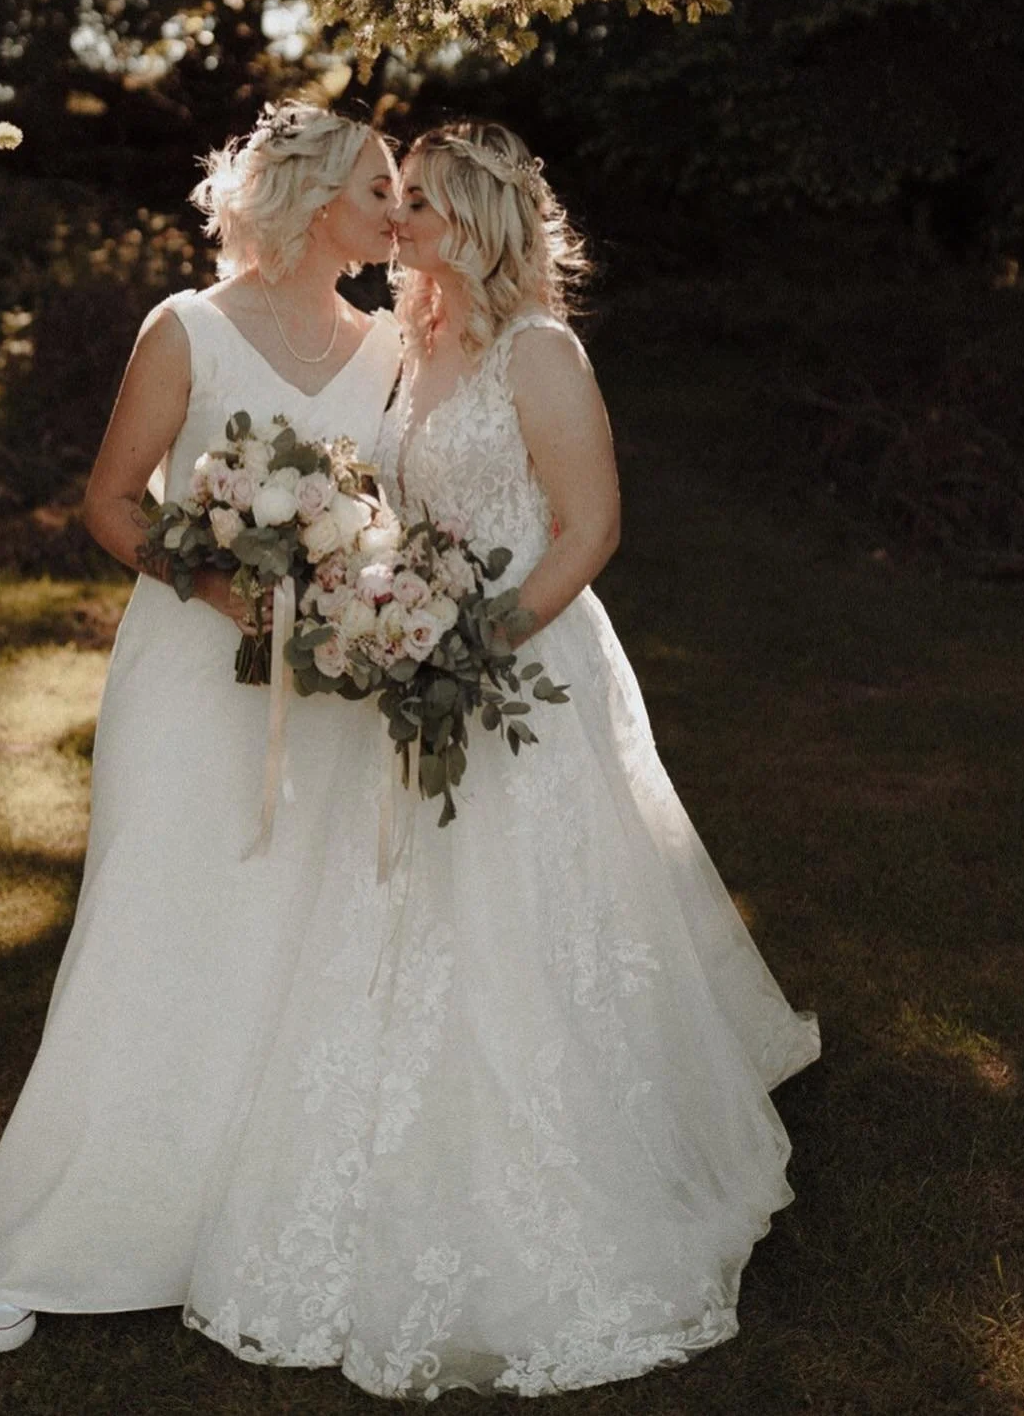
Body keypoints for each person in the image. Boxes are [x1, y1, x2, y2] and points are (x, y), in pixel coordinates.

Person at [174, 121, 820, 1397]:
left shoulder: (542, 351)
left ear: (477, 216)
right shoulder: (410, 347)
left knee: (538, 918)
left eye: (415, 201)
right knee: (405, 917)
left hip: (525, 668)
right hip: (422, 667)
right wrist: (384, 606)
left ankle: (584, 1159)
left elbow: (590, 528)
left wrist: (480, 641)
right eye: (394, 199)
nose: (395, 218)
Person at [0, 102, 402, 1351]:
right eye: (378, 189)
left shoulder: (389, 350)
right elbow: (109, 500)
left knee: (297, 942)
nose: (395, 211)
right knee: (150, 926)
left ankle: (253, 1215)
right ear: (318, 201)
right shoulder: (187, 328)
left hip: (328, 695)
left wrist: (365, 594)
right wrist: (219, 585)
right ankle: (53, 1236)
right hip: (189, 674)